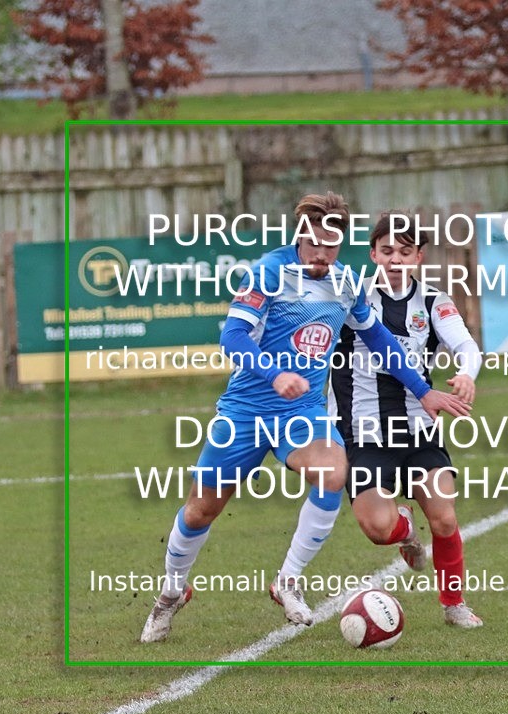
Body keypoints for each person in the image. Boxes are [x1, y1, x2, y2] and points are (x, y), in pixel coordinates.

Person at [140, 192, 470, 642]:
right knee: (200, 510)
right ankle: (172, 593)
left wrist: (423, 390)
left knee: (334, 472)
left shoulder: (347, 284)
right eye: (312, 243)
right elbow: (233, 338)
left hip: (301, 411)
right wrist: (274, 374)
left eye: (330, 245)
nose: (320, 254)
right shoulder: (269, 273)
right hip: (245, 410)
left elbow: (379, 341)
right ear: (299, 236)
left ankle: (288, 580)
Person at [327, 212, 483, 628]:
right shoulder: (349, 300)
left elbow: (466, 346)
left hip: (417, 430)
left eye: (405, 251)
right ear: (373, 254)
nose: (396, 259)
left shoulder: (435, 302)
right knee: (379, 529)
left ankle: (454, 605)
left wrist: (467, 373)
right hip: (362, 434)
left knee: (446, 518)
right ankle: (405, 533)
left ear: (419, 256)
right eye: (387, 250)